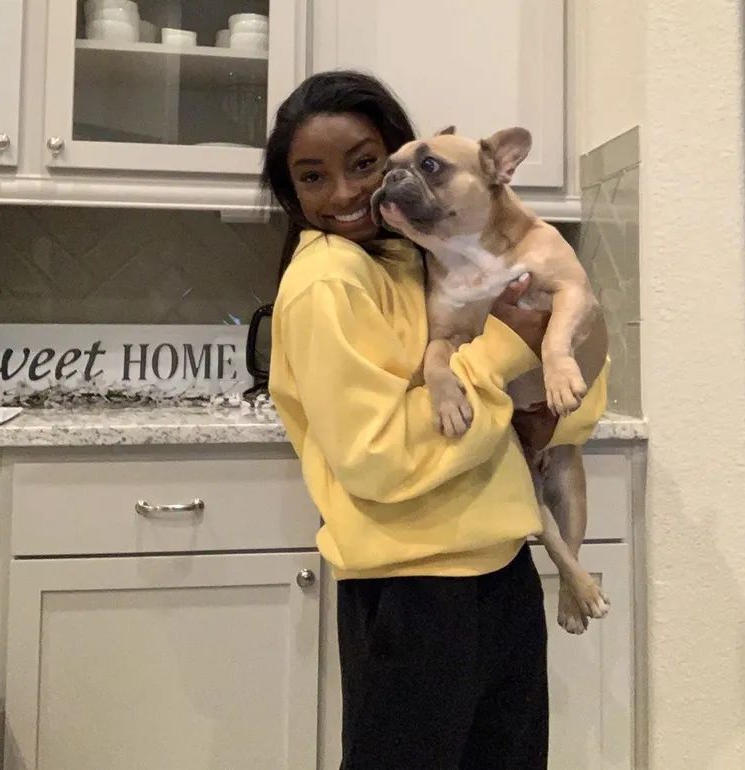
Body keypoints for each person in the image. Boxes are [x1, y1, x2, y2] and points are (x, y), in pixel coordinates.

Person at [263, 70, 557, 770]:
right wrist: (504, 351)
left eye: (363, 164)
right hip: (415, 588)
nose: (343, 193)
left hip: (495, 564)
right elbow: (379, 457)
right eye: (312, 177)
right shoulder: (328, 280)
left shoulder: (410, 255)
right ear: (291, 193)